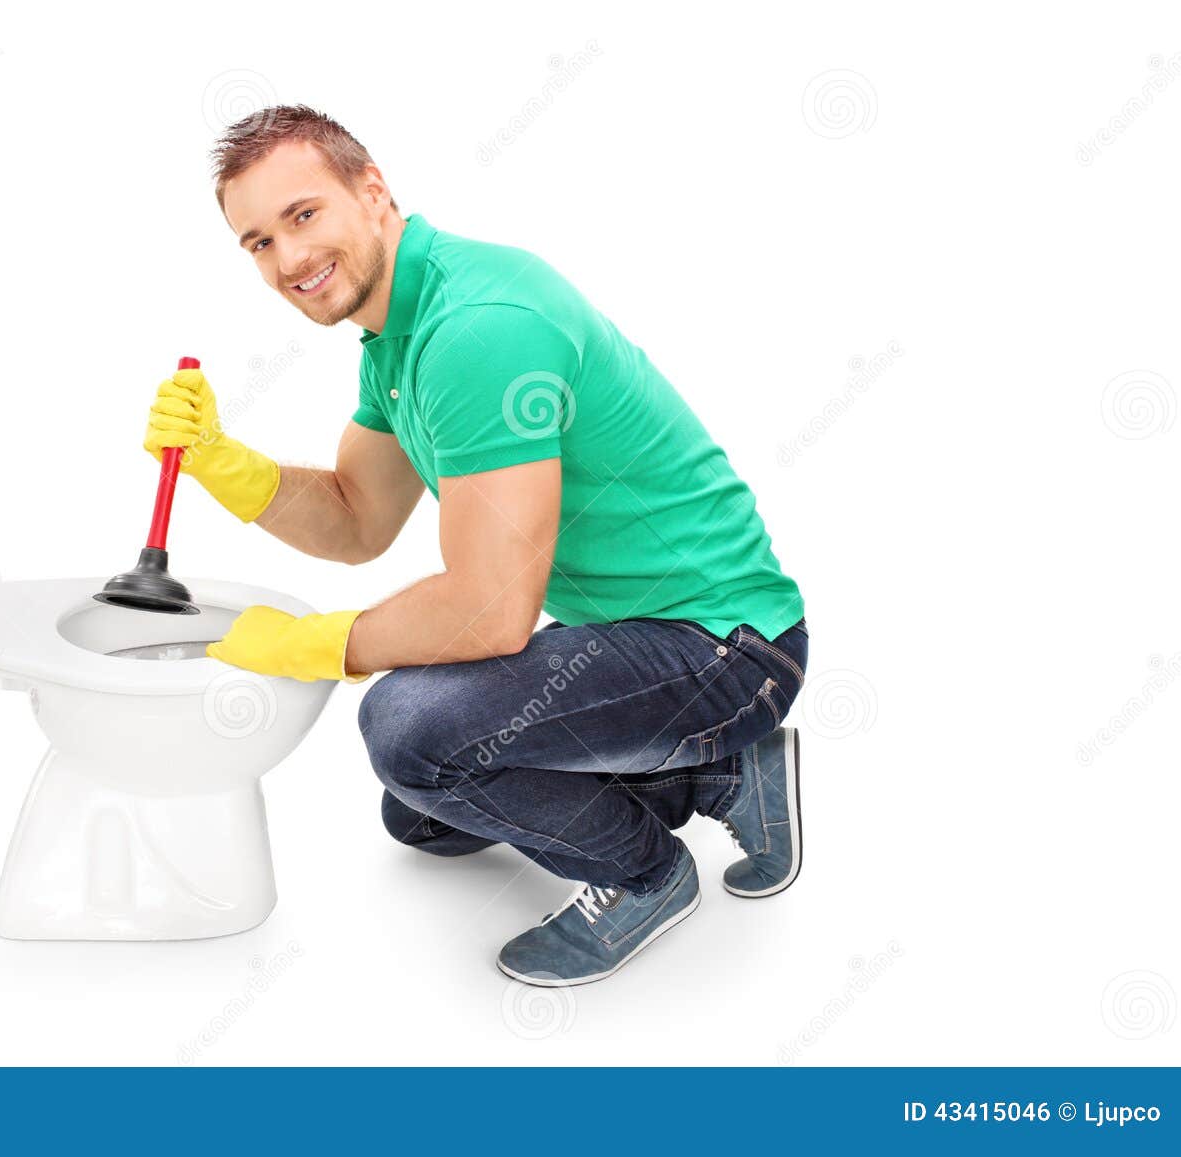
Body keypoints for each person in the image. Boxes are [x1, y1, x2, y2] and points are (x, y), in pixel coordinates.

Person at [143, 105, 808, 987]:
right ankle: (723, 773)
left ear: (372, 190)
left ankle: (646, 872)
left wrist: (314, 646)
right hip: (636, 634)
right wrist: (226, 465)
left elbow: (493, 611)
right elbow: (355, 518)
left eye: (303, 216)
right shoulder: (395, 336)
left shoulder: (478, 327)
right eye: (258, 242)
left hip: (729, 648)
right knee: (420, 814)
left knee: (408, 730)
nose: (289, 260)